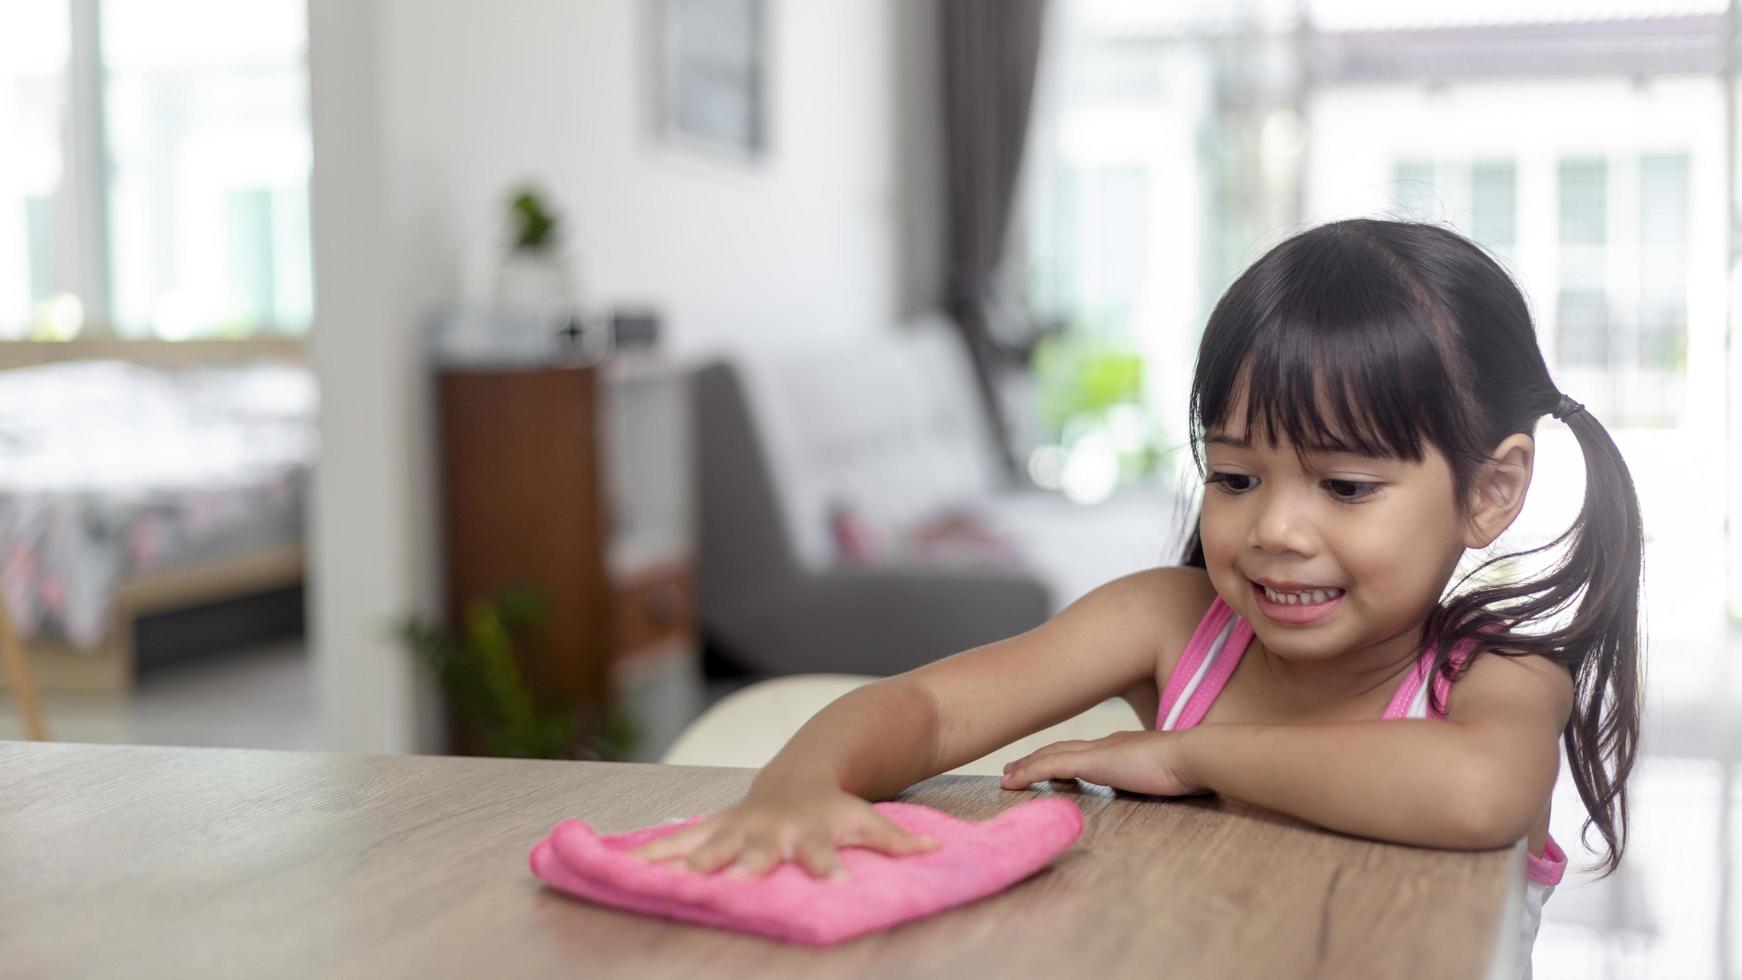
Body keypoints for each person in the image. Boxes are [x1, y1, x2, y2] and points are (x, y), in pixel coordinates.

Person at [629, 219, 1644, 974]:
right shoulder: (1168, 623)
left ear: (1487, 490)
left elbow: (1477, 792)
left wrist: (1182, 752)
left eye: (1343, 485)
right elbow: (927, 706)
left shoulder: (1500, 671)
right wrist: (802, 781)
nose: (1274, 530)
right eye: (1235, 476)